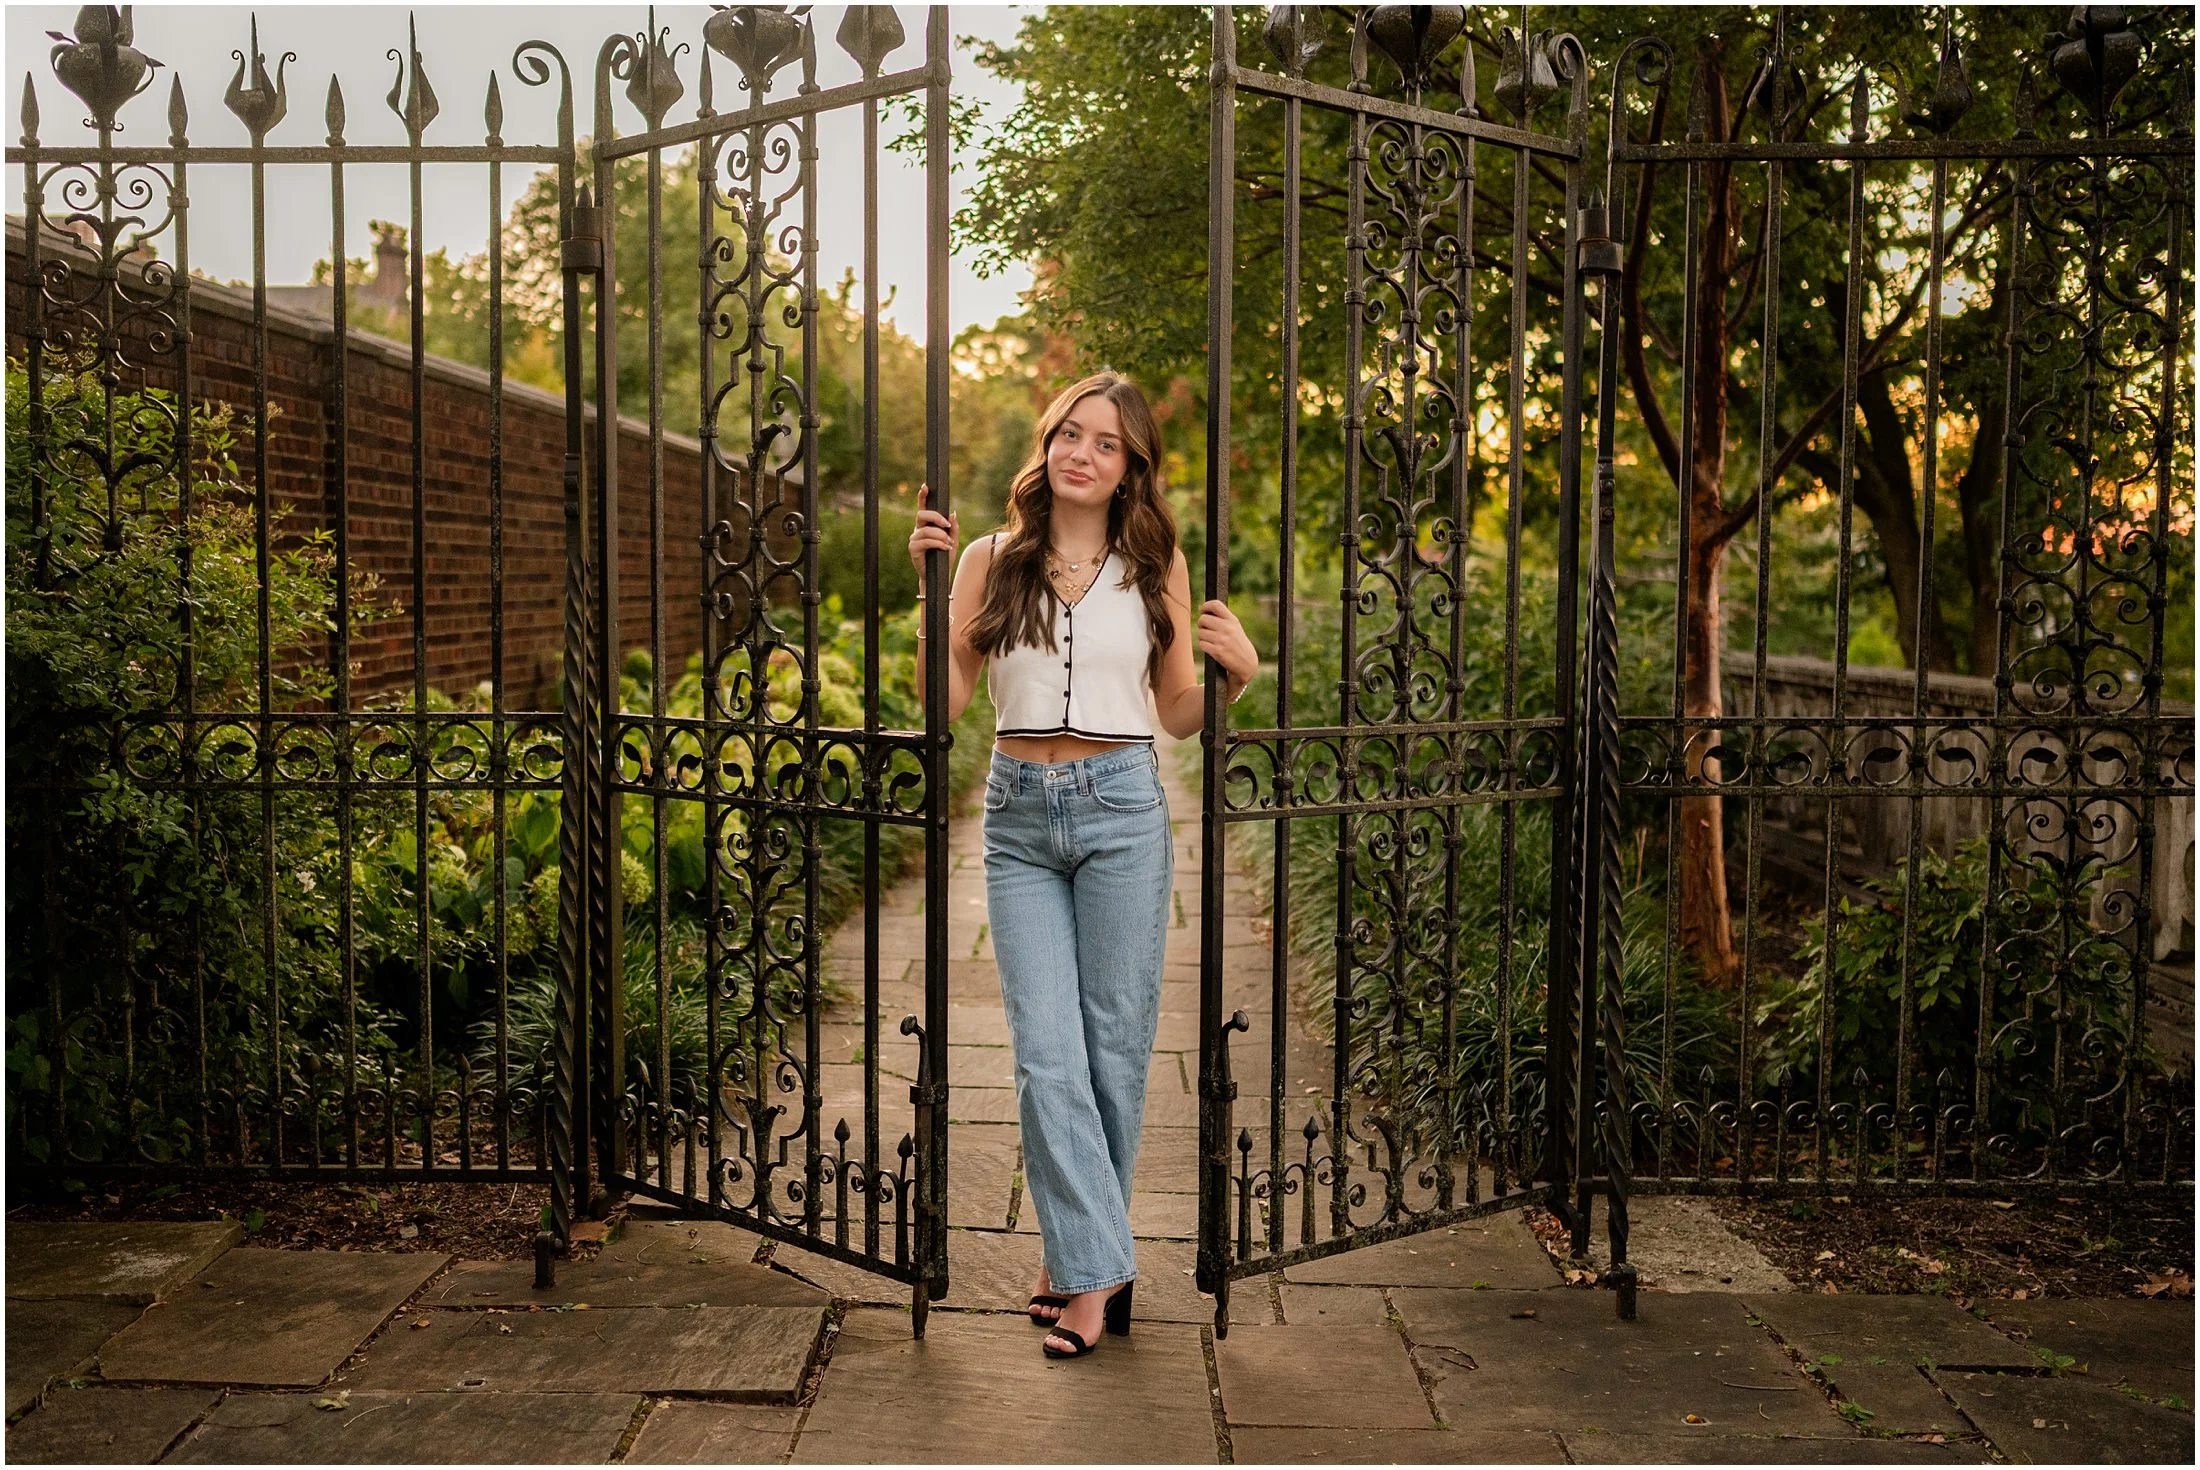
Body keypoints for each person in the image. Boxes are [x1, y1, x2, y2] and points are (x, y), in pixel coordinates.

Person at [905, 370, 1259, 1359]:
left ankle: (1076, 1268)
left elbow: (1179, 715)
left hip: (1123, 814)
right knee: (1044, 1054)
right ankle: (1104, 1270)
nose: (1083, 452)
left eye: (1106, 442)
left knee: (1111, 1050)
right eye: (1070, 432)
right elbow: (943, 706)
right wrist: (930, 597)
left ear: (1128, 465)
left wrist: (1237, 673)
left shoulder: (1156, 566)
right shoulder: (989, 559)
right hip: (1016, 819)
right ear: (1046, 443)